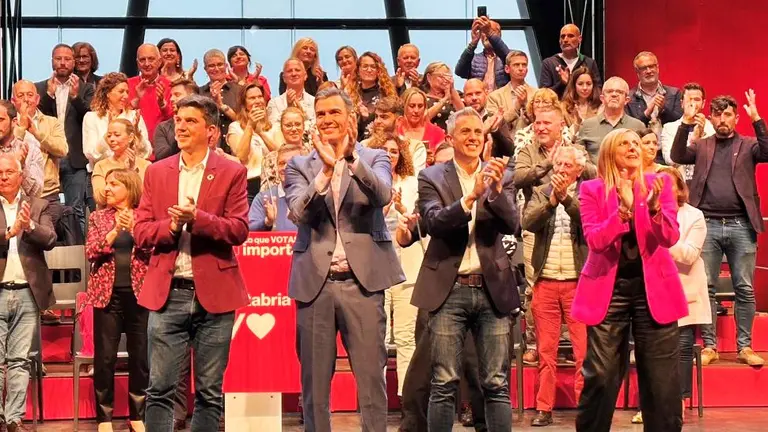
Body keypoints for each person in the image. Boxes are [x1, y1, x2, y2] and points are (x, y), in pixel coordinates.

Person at [283, 87, 404, 432]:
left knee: (370, 382)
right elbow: (296, 212)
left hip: (362, 283)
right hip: (315, 285)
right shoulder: (299, 165)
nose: (327, 120)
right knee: (315, 389)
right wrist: (324, 170)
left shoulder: (375, 156)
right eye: (320, 114)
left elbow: (381, 195)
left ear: (351, 118)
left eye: (334, 113)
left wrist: (350, 159)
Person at [134, 94, 249, 430]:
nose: (180, 127)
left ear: (211, 131)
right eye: (178, 120)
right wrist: (171, 226)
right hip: (168, 294)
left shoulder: (232, 172)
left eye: (190, 121)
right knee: (159, 389)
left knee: (210, 393)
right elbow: (141, 231)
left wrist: (197, 219)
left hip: (215, 296)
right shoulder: (156, 172)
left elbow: (239, 229)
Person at [412, 107, 519, 432]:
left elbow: (512, 223)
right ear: (450, 138)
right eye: (466, 132)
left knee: (496, 383)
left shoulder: (502, 174)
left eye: (478, 133)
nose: (473, 138)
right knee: (444, 382)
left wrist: (497, 192)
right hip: (449, 288)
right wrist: (470, 197)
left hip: (492, 288)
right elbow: (433, 222)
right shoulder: (431, 176)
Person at [574, 128, 687, 432]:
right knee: (600, 376)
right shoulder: (592, 190)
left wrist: (652, 210)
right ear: (610, 152)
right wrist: (621, 215)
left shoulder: (659, 185)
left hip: (654, 291)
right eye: (624, 143)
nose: (633, 147)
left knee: (661, 382)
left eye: (636, 143)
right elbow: (595, 240)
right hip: (608, 292)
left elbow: (670, 237)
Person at [670, 91, 768, 367]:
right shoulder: (702, 146)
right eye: (718, 114)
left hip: (741, 224)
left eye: (728, 115)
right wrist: (686, 122)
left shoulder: (749, 145)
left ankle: (745, 346)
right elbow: (676, 154)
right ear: (711, 117)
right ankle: (710, 346)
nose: (723, 119)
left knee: (745, 288)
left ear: (736, 118)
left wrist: (757, 119)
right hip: (708, 224)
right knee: (707, 287)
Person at [521, 145, 591, 427]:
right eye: (558, 164)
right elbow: (527, 221)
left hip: (578, 284)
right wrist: (552, 201)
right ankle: (543, 408)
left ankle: (586, 407)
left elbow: (589, 225)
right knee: (546, 352)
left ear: (578, 170)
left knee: (583, 353)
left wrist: (567, 201)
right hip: (546, 282)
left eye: (566, 165)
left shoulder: (588, 192)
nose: (561, 170)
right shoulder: (540, 192)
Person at [86, 168, 150, 432]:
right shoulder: (98, 217)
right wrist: (114, 230)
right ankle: (105, 418)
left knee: (140, 358)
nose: (107, 188)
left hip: (140, 295)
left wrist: (134, 227)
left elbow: (153, 249)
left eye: (114, 184)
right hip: (107, 297)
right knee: (105, 360)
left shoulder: (145, 217)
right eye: (107, 184)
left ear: (130, 187)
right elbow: (91, 252)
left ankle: (137, 415)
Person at [0, 152, 57, 432]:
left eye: (9, 172)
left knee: (20, 359)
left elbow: (50, 239)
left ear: (21, 175)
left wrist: (29, 226)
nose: (3, 177)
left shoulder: (37, 205)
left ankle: (13, 419)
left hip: (27, 292)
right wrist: (11, 232)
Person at [368, 134, 419, 401]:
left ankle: (407, 397)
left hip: (405, 270)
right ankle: (376, 398)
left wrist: (400, 208)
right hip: (376, 268)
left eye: (394, 151)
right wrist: (383, 211)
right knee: (376, 338)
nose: (390, 155)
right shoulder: (370, 183)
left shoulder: (411, 183)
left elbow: (416, 221)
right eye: (385, 151)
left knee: (406, 337)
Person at [35, 43, 95, 232]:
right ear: (52, 61)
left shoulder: (86, 89)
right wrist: (48, 96)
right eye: (58, 58)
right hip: (46, 158)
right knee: (42, 208)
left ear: (73, 62)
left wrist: (76, 97)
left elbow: (90, 117)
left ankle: (80, 253)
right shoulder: (39, 88)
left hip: (75, 158)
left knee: (75, 208)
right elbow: (36, 118)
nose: (62, 62)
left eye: (67, 59)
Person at [83, 72, 152, 167]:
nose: (126, 96)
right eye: (121, 91)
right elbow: (91, 154)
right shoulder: (92, 118)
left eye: (127, 92)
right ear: (108, 93)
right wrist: (108, 134)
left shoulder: (134, 116)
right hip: (102, 173)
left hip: (130, 172)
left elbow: (146, 153)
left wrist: (137, 134)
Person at [227, 82, 280, 204]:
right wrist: (250, 126)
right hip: (249, 186)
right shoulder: (235, 128)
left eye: (260, 96)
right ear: (244, 103)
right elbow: (241, 157)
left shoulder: (275, 127)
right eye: (252, 98)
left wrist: (261, 133)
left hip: (274, 183)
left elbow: (280, 153)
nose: (258, 101)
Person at [577, 77, 644, 161]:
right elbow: (578, 158)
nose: (614, 94)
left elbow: (644, 158)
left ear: (626, 100)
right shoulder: (587, 125)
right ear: (602, 98)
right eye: (609, 91)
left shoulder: (638, 126)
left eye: (619, 92)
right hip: (596, 173)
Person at [660, 83, 715, 181]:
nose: (692, 104)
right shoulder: (669, 128)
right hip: (681, 184)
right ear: (682, 103)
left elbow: (712, 159)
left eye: (697, 100)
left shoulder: (712, 128)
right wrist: (693, 141)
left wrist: (701, 137)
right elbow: (670, 159)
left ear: (703, 103)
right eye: (689, 99)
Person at [92, 119, 152, 207]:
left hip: (138, 215)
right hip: (108, 216)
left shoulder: (146, 166)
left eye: (117, 135)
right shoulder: (101, 165)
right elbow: (99, 198)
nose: (111, 139)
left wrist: (131, 172)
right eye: (109, 136)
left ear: (131, 137)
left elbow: (145, 197)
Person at [344, 52, 399, 141]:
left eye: (373, 67)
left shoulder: (387, 93)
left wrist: (367, 117)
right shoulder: (349, 94)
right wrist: (360, 119)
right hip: (355, 142)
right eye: (365, 66)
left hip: (381, 141)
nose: (369, 70)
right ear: (358, 70)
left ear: (378, 71)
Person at [248, 144, 303, 232]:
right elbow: (249, 231)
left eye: (291, 163)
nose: (285, 168)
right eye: (281, 163)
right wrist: (267, 222)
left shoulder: (313, 195)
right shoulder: (264, 198)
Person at [539, 24, 602, 98]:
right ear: (559, 41)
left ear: (579, 39)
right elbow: (543, 95)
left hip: (583, 107)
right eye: (562, 37)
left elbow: (598, 90)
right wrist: (562, 84)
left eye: (570, 36)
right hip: (557, 108)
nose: (565, 40)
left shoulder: (589, 63)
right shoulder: (549, 63)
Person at [127, 44, 173, 142]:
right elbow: (119, 116)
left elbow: (174, 121)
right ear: (137, 63)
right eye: (142, 60)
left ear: (159, 62)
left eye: (151, 59)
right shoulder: (127, 85)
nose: (147, 64)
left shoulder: (170, 86)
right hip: (132, 146)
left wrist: (163, 105)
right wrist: (136, 99)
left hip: (162, 147)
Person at [625, 52, 683, 128]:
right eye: (643, 68)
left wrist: (664, 109)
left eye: (651, 66)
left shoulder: (675, 94)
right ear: (637, 71)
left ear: (657, 68)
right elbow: (629, 129)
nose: (648, 71)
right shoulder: (628, 98)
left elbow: (680, 124)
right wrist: (646, 113)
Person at [0, 101, 44, 198]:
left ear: (14, 122)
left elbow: (36, 193)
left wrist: (21, 167)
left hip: (24, 207)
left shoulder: (30, 147)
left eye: (1, 120)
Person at [455, 17, 512, 91]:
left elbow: (508, 57)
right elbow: (460, 72)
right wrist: (473, 43)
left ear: (499, 34)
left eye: (490, 30)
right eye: (484, 32)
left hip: (502, 101)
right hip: (478, 100)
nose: (486, 35)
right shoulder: (474, 59)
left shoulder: (512, 55)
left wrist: (490, 34)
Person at [154, 78, 200, 161]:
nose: (171, 99)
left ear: (192, 97)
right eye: (171, 95)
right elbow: (161, 157)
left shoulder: (204, 124)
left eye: (177, 95)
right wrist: (179, 134)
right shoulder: (163, 127)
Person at [267, 58, 316, 127]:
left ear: (305, 76)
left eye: (297, 70)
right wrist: (289, 109)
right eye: (289, 71)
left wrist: (303, 115)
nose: (294, 74)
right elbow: (273, 130)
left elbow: (316, 128)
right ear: (284, 78)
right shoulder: (274, 103)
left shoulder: (314, 102)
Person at [397, 87, 446, 152]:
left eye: (420, 106)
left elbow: (444, 159)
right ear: (403, 106)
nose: (416, 110)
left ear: (425, 107)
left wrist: (434, 158)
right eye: (412, 106)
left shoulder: (437, 133)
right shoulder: (395, 131)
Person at [422, 62, 464, 132]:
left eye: (448, 77)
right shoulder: (422, 98)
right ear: (429, 78)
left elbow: (464, 115)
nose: (445, 80)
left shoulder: (457, 95)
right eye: (441, 76)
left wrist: (452, 89)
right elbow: (423, 119)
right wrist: (444, 99)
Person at [562, 66, 602, 135]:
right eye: (580, 84)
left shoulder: (600, 106)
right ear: (574, 86)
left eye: (589, 84)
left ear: (593, 85)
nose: (585, 88)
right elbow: (563, 135)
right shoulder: (563, 107)